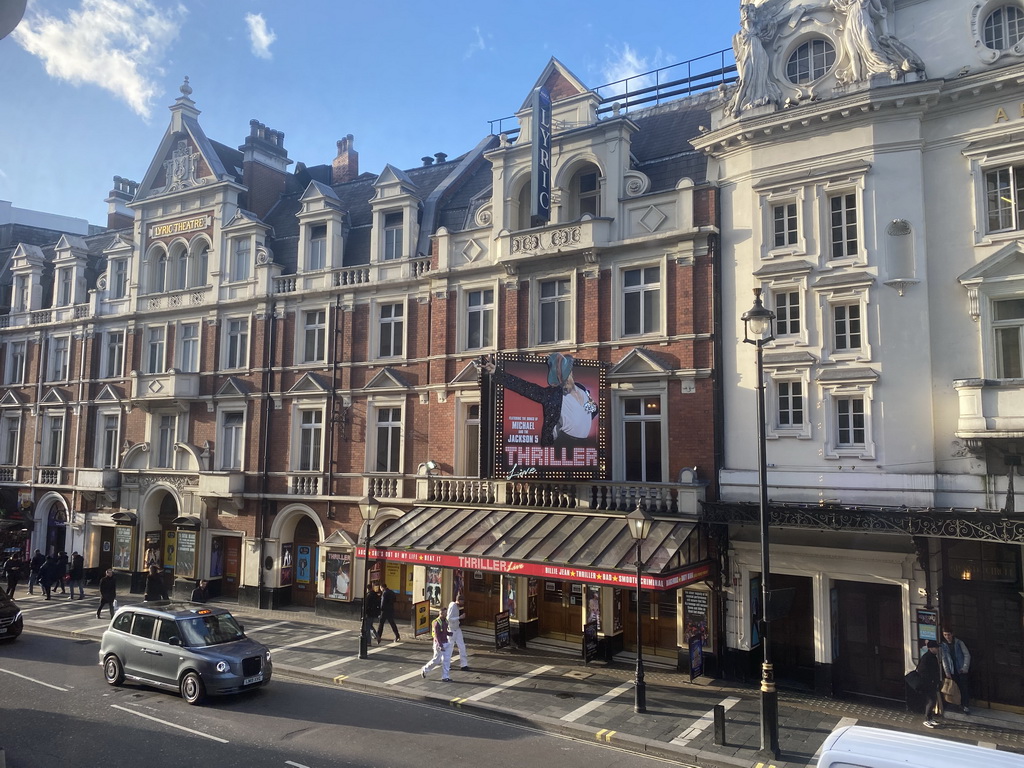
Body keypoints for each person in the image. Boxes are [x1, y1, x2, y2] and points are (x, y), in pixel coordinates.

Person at [484, 353, 597, 447]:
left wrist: (582, 419)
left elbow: (591, 410)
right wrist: (497, 373)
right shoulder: (553, 394)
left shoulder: (582, 388)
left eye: (566, 377)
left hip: (586, 445)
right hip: (566, 443)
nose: (564, 382)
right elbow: (525, 387)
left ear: (571, 373)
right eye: (560, 380)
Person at [940, 628, 972, 715]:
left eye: (948, 635)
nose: (947, 637)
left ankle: (965, 706)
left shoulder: (959, 643)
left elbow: (967, 654)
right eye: (945, 635)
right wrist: (947, 672)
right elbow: (944, 659)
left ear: (952, 634)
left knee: (964, 688)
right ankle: (956, 705)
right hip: (952, 670)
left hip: (961, 669)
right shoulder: (943, 645)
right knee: (954, 689)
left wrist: (965, 667)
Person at [420, 611, 453, 682]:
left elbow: (444, 631)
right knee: (436, 660)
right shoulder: (437, 623)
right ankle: (425, 669)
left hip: (446, 643)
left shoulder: (445, 621)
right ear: (440, 614)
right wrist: (440, 645)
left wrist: (449, 633)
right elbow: (437, 636)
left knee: (446, 660)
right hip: (439, 644)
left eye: (446, 613)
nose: (446, 614)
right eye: (445, 613)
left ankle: (445, 677)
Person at [917, 639, 943, 728]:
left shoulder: (932, 656)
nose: (937, 649)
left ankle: (930, 718)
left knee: (933, 700)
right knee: (931, 701)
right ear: (931, 648)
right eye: (936, 647)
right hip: (928, 683)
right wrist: (930, 680)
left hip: (932, 682)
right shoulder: (927, 657)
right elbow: (922, 670)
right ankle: (927, 719)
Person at [446, 591, 470, 671]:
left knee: (462, 646)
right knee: (450, 648)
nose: (463, 603)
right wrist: (459, 618)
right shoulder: (453, 606)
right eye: (462, 601)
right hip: (451, 630)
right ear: (459, 600)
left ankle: (464, 665)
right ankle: (447, 664)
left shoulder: (457, 606)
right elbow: (448, 618)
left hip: (457, 629)